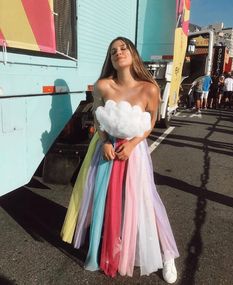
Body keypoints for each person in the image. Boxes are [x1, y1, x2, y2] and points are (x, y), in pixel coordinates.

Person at [60, 37, 179, 283]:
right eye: (113, 51)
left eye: (123, 48)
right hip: (106, 150)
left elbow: (150, 122)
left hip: (134, 153)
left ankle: (167, 253)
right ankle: (113, 245)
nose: (118, 52)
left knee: (145, 201)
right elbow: (97, 119)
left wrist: (134, 144)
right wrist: (104, 141)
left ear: (133, 54)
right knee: (106, 200)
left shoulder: (150, 88)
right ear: (110, 59)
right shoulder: (102, 86)